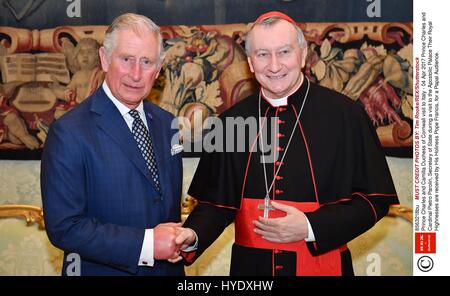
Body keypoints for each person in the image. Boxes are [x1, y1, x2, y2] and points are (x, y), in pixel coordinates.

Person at [175, 11, 399, 276]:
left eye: (284, 52)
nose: (274, 66)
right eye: (262, 55)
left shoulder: (345, 115)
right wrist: (193, 234)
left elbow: (374, 200)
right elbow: (216, 206)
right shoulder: (229, 122)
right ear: (249, 62)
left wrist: (310, 226)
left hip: (324, 266)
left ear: (302, 55)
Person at [41, 13, 184, 276]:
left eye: (147, 62)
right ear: (105, 59)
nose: (136, 74)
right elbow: (66, 227)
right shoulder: (69, 131)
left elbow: (168, 208)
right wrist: (148, 244)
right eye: (126, 59)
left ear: (159, 68)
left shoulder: (168, 124)